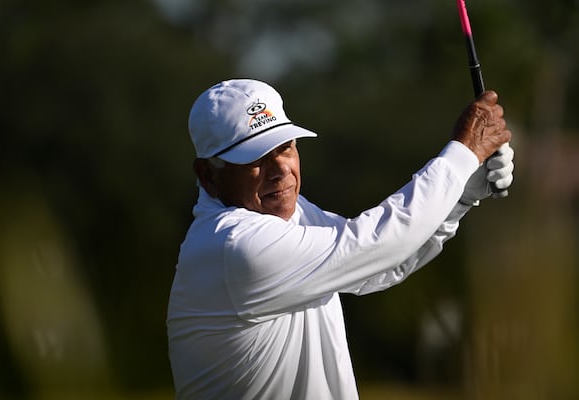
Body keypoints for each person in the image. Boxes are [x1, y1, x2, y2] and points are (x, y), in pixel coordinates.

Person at [166, 79, 514, 399]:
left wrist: (461, 195)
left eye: (285, 148)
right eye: (255, 159)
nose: (280, 170)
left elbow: (380, 263)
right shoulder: (233, 245)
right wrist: (463, 154)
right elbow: (376, 242)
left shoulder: (289, 214)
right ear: (208, 175)